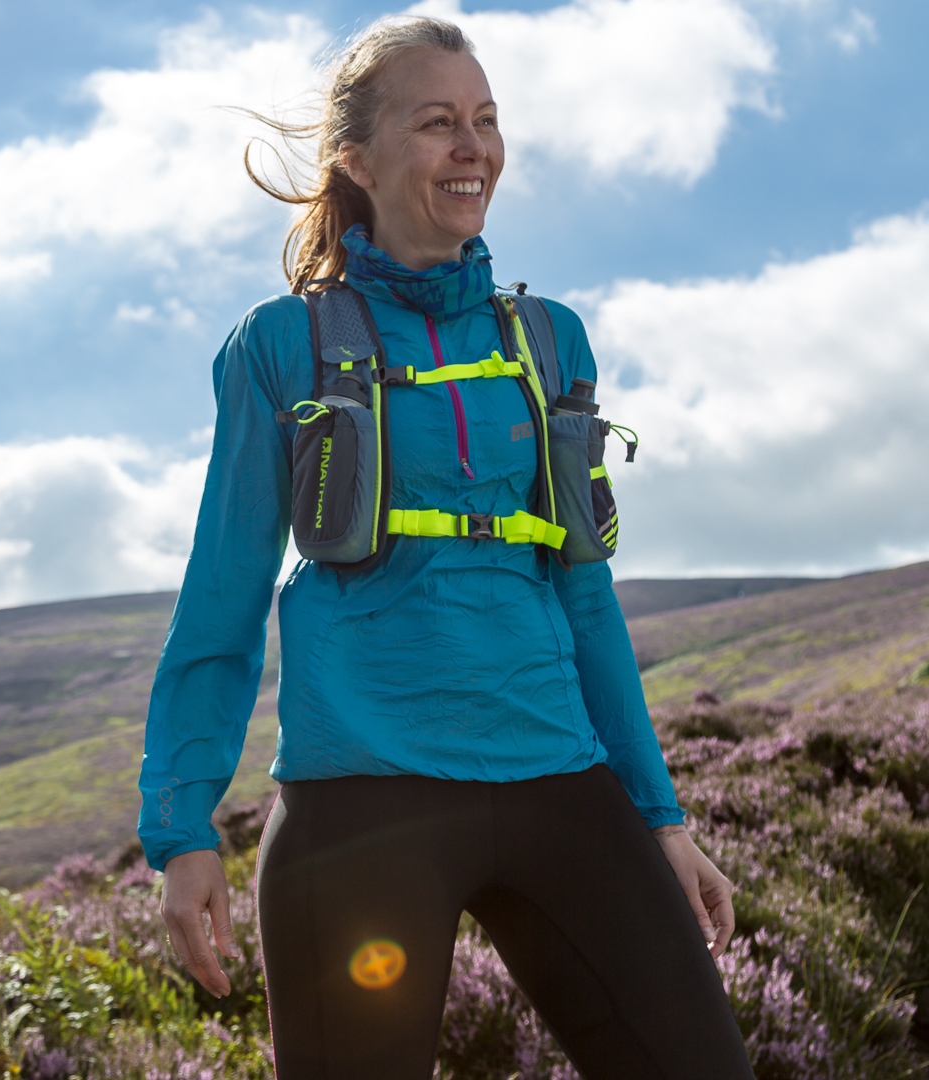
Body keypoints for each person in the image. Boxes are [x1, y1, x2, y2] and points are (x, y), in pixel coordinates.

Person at [136, 16, 755, 1079]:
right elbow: (224, 599)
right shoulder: (280, 347)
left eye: (486, 122)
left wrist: (661, 815)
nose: (474, 148)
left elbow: (587, 597)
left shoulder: (548, 338)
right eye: (438, 124)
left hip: (564, 783)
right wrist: (183, 827)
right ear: (357, 158)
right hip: (361, 804)